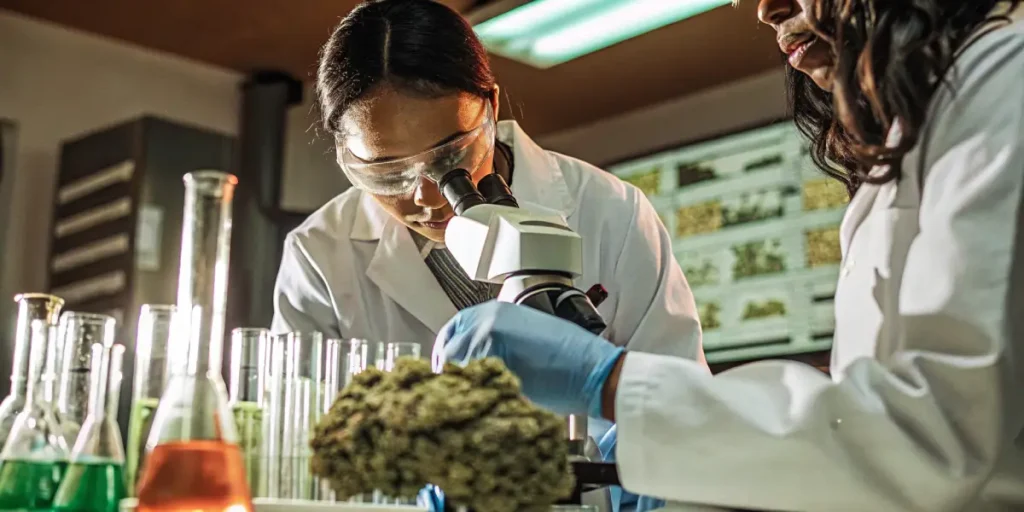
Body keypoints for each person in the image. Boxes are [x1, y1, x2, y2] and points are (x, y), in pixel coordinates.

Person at [437, 0, 1024, 510]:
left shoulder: (1005, 82)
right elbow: (877, 450)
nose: (766, 9)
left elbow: (929, 439)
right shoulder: (917, 133)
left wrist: (610, 383)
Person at [271, 0, 705, 431]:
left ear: (491, 108)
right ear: (345, 154)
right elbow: (298, 438)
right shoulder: (319, 254)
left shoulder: (613, 212)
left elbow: (685, 406)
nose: (427, 197)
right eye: (388, 173)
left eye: (450, 156)